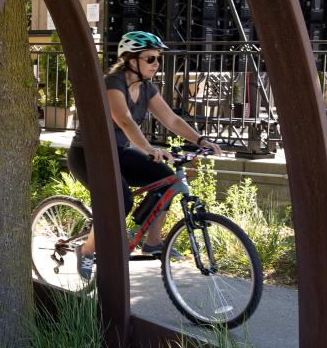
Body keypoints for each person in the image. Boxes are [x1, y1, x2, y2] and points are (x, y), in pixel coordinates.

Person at [65, 31, 222, 279]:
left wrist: (200, 140)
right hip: (88, 154)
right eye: (150, 58)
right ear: (131, 59)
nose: (156, 64)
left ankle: (153, 242)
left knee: (167, 178)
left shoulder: (146, 88)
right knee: (121, 199)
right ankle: (86, 250)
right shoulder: (112, 83)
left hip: (118, 152)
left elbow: (171, 119)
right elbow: (124, 120)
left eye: (158, 59)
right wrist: (148, 148)